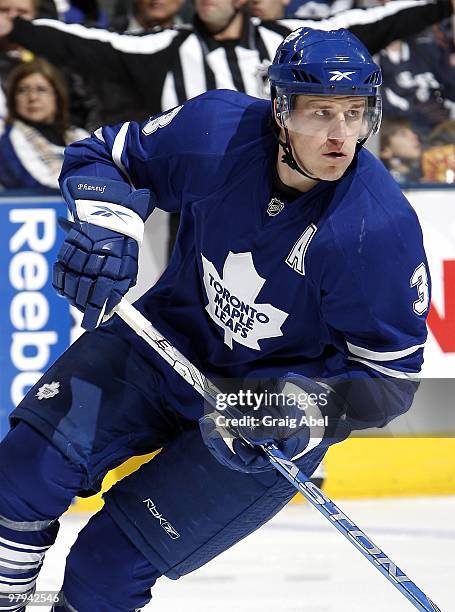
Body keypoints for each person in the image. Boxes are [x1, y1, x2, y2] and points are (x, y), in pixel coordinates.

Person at [0, 27, 430, 610]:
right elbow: (106, 157)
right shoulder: (216, 131)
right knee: (22, 476)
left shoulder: (376, 229)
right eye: (320, 112)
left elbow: (392, 381)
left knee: (104, 568)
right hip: (161, 346)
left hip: (257, 415)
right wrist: (107, 225)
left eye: (355, 114)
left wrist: (301, 407)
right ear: (280, 110)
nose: (339, 135)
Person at [0, 58, 87, 189]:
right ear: (13, 98)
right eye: (22, 90)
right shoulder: (8, 140)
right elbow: (34, 186)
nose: (32, 98)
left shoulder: (80, 136)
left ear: (57, 95)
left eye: (41, 89)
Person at [379, 117, 422, 184]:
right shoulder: (383, 183)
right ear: (385, 151)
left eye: (413, 132)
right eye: (403, 134)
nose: (414, 136)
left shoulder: (422, 176)